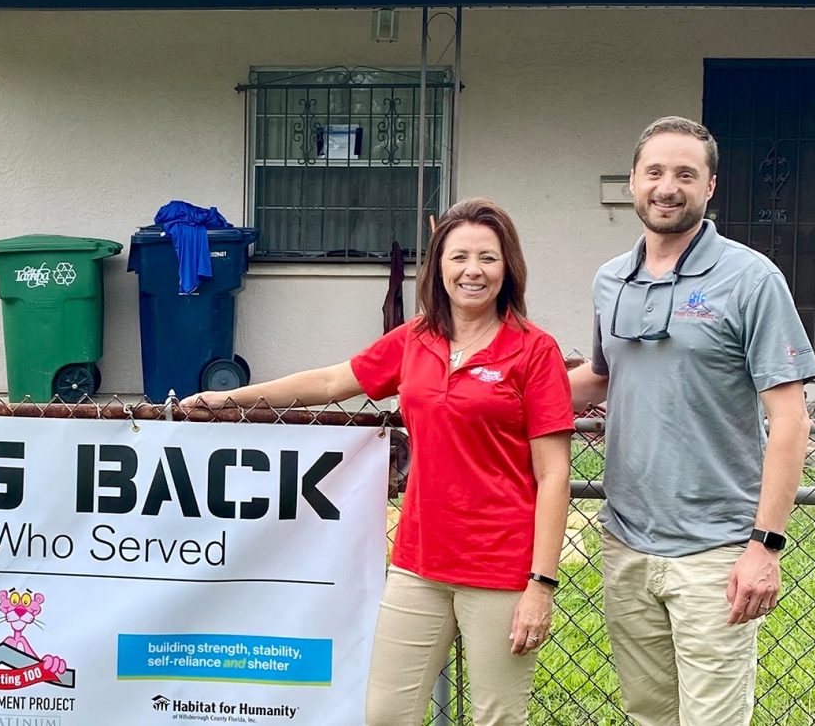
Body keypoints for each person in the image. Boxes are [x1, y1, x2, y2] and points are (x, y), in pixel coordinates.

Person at [184, 199, 572, 726]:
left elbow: (553, 475)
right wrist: (232, 399)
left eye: (488, 258)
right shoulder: (416, 339)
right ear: (438, 266)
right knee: (387, 714)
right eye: (459, 257)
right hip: (419, 564)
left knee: (498, 718)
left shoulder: (533, 350)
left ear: (509, 268)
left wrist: (540, 584)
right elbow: (329, 382)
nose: (473, 271)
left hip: (500, 571)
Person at [567, 117, 815, 726]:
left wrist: (765, 545)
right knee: (649, 715)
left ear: (710, 187)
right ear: (633, 181)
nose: (667, 187)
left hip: (717, 552)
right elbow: (603, 375)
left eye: (686, 174)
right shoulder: (610, 280)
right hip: (625, 542)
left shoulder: (751, 278)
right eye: (655, 172)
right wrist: (492, 398)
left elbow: (790, 420)